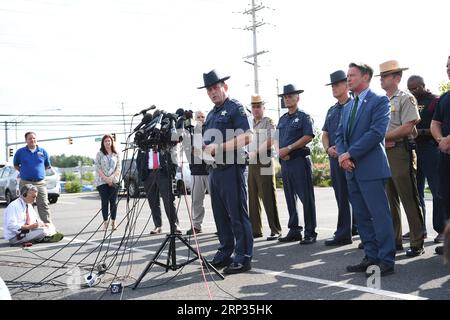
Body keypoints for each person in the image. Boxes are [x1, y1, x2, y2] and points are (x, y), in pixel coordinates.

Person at [336, 62, 395, 277]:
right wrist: (344, 156)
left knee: (379, 216)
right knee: (361, 217)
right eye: (347, 76)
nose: (348, 79)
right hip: (351, 169)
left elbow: (376, 132)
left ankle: (386, 259)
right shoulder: (348, 106)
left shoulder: (379, 101)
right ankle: (371, 256)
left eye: (352, 75)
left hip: (371, 169)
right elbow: (340, 135)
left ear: (366, 77)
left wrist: (349, 154)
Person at [199, 69, 253, 274]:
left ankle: (243, 256)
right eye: (209, 89)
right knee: (220, 215)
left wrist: (219, 148)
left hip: (233, 168)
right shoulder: (211, 114)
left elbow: (248, 136)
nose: (213, 92)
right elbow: (207, 143)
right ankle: (225, 251)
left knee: (238, 215)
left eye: (215, 88)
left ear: (225, 87)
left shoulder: (235, 108)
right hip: (215, 171)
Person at [378, 60, 425, 257]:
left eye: (385, 75)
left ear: (397, 78)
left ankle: (416, 241)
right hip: (384, 153)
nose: (381, 79)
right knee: (390, 200)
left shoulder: (406, 98)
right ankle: (395, 240)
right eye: (381, 76)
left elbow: (408, 126)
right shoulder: (381, 101)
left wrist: (382, 138)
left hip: (400, 152)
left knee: (408, 197)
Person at [275, 84, 317, 245]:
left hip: (299, 160)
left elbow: (309, 136)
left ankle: (310, 232)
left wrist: (289, 148)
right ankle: (294, 230)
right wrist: (280, 151)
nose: (287, 99)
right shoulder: (283, 119)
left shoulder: (304, 116)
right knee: (289, 197)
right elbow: (277, 137)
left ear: (297, 98)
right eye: (285, 97)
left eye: (290, 96)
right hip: (286, 162)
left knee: (306, 197)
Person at [407, 75, 446, 243]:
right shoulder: (410, 101)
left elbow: (440, 126)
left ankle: (442, 229)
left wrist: (418, 133)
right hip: (414, 149)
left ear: (424, 85)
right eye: (410, 89)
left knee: (437, 191)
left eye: (415, 88)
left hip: (431, 148)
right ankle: (418, 228)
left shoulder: (435, 100)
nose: (413, 91)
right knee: (415, 192)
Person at [322, 70, 356, 246]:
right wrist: (328, 148)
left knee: (358, 196)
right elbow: (325, 133)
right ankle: (344, 232)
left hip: (352, 157)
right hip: (335, 158)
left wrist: (345, 151)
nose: (334, 88)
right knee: (341, 196)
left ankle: (360, 231)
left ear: (346, 85)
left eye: (337, 84)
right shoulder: (332, 110)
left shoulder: (355, 105)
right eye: (332, 86)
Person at [247, 94, 282, 241]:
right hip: (252, 163)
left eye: (258, 106)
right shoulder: (249, 124)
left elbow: (271, 139)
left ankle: (275, 229)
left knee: (268, 194)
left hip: (265, 160)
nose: (255, 109)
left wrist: (255, 151)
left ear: (263, 107)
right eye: (253, 107)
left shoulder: (268, 122)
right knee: (253, 197)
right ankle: (256, 230)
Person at [136, 140, 181, 235]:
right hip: (149, 174)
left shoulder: (162, 139)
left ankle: (175, 225)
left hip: (163, 173)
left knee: (168, 200)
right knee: (153, 202)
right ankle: (158, 226)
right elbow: (139, 159)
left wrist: (172, 171)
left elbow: (173, 156)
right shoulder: (145, 141)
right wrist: (142, 174)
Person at [430, 55, 450, 256]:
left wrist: (447, 140)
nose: (448, 69)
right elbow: (435, 123)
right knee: (445, 197)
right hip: (445, 156)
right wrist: (441, 141)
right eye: (447, 66)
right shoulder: (445, 98)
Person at [13, 131, 53, 223]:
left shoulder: (43, 151)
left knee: (43, 204)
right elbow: (16, 165)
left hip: (40, 183)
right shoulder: (20, 152)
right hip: (26, 183)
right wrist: (24, 172)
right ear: (26, 140)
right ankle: (29, 226)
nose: (32, 140)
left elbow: (47, 166)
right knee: (27, 205)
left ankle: (48, 226)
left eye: (34, 138)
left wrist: (38, 173)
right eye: (30, 138)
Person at [186, 110, 210, 235]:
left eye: (202, 117)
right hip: (196, 171)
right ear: (195, 119)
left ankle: (223, 226)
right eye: (198, 117)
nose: (201, 119)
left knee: (219, 201)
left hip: (211, 170)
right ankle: (196, 225)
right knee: (196, 200)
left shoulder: (210, 131)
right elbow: (190, 150)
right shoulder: (190, 133)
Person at [94, 134, 121, 231]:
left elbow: (118, 167)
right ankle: (105, 222)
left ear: (112, 142)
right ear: (103, 143)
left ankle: (113, 222)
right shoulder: (100, 153)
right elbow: (97, 167)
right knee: (105, 202)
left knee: (113, 202)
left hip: (114, 181)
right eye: (105, 141)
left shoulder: (116, 153)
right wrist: (106, 178)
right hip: (102, 181)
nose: (107, 143)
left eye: (109, 141)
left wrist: (112, 178)